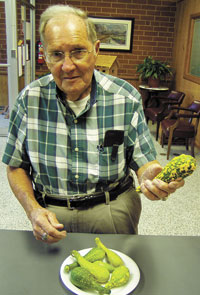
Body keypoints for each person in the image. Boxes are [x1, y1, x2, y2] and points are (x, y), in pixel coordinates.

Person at [2, 4, 184, 244]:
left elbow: (143, 160)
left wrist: (150, 175)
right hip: (51, 212)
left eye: (78, 51)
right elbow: (15, 166)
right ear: (45, 56)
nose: (67, 66)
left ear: (96, 50)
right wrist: (32, 209)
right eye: (56, 54)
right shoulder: (28, 100)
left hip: (112, 208)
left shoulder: (125, 96)